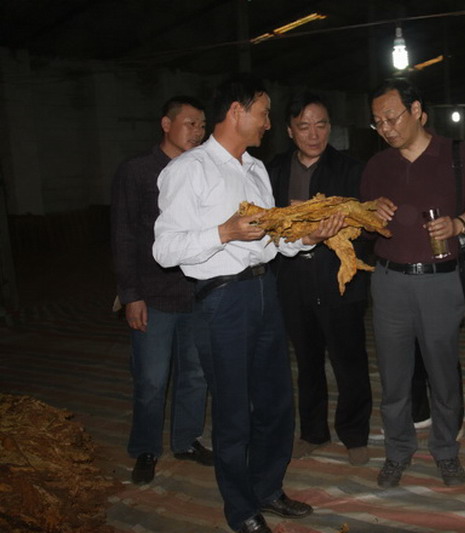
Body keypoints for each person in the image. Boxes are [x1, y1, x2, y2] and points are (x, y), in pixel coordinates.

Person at [153, 74, 343, 533]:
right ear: (236, 112)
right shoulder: (189, 170)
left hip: (264, 292)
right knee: (234, 412)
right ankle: (240, 510)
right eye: (263, 112)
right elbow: (165, 249)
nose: (269, 123)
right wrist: (225, 231)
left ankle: (267, 489)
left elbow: (271, 240)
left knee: (277, 404)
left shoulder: (255, 169)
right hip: (221, 301)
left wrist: (308, 236)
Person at [361, 79, 465, 488]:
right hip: (389, 282)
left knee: (443, 373)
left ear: (417, 110)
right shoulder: (377, 166)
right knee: (394, 376)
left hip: (440, 281)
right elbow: (362, 224)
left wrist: (458, 224)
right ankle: (397, 450)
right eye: (378, 122)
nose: (386, 128)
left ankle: (446, 450)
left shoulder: (455, 154)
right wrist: (370, 216)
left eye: (392, 118)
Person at [110, 95, 212, 484]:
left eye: (202, 125)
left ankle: (186, 440)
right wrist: (130, 294)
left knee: (195, 374)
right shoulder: (137, 171)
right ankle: (146, 448)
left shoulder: (202, 171)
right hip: (152, 295)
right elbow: (123, 236)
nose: (198, 132)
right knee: (152, 378)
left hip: (196, 292)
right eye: (190, 123)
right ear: (166, 125)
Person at [266, 92, 372, 466]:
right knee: (307, 360)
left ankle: (354, 433)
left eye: (321, 125)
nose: (314, 134)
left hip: (338, 276)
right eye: (304, 126)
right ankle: (312, 432)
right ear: (289, 131)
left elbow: (367, 224)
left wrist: (335, 222)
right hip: (292, 278)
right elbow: (266, 223)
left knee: (349, 359)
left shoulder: (351, 169)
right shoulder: (272, 171)